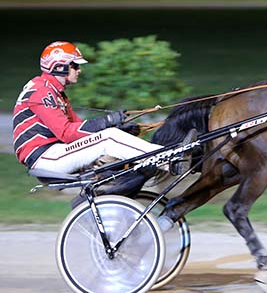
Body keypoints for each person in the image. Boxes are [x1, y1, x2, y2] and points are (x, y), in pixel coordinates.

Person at [12, 41, 194, 194]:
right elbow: (67, 133)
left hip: (54, 152)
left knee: (111, 135)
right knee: (109, 138)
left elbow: (77, 127)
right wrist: (107, 123)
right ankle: (170, 160)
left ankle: (162, 160)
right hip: (45, 157)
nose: (79, 70)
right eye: (75, 65)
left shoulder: (54, 92)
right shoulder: (41, 91)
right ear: (59, 67)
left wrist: (117, 128)